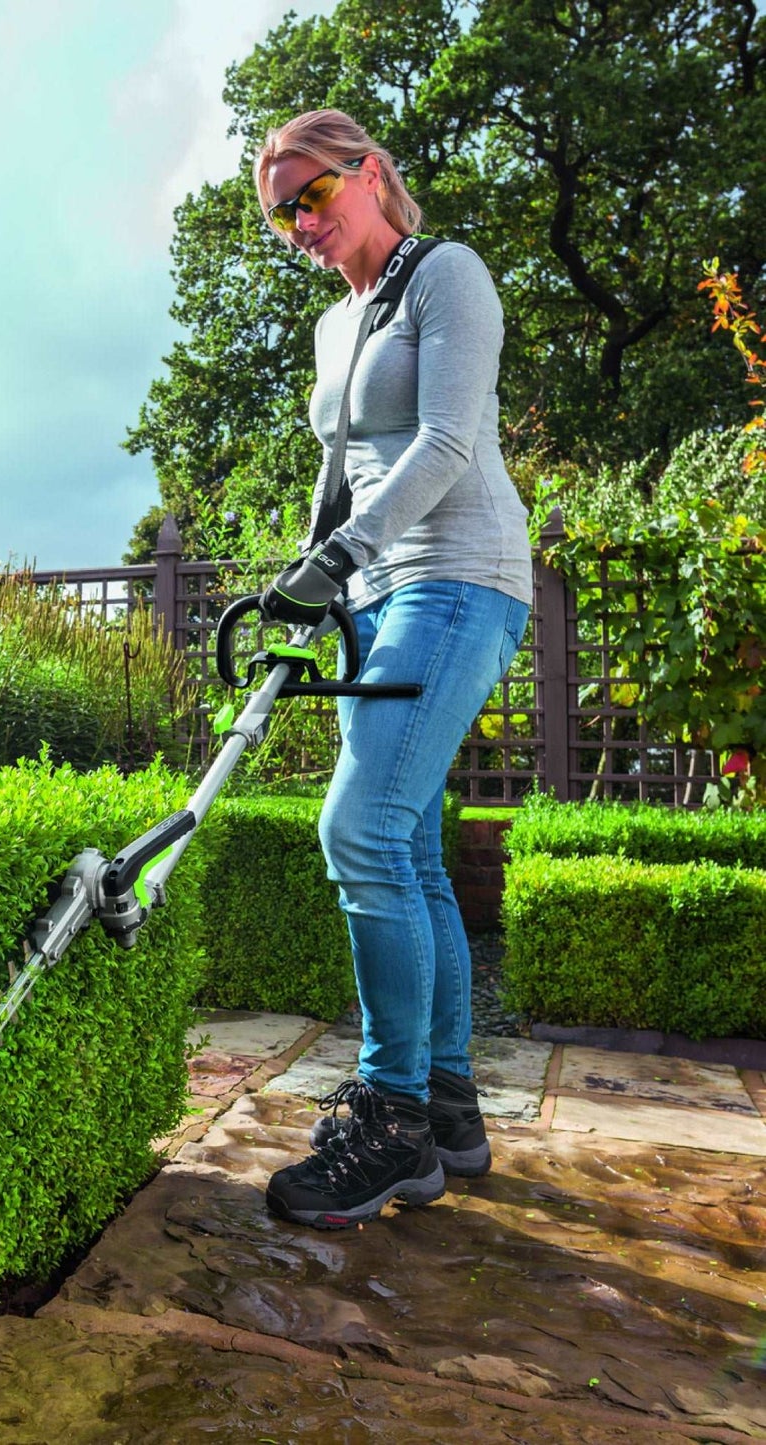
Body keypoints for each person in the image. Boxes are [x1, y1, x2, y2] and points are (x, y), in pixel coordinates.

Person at [250, 109, 533, 1229]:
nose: (293, 226)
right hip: (371, 595)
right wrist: (307, 583)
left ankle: (391, 1115)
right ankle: (451, 1107)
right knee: (409, 842)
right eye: (277, 214)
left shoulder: (444, 275)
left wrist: (346, 557)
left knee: (356, 827)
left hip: (457, 575)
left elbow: (446, 443)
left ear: (366, 173)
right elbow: (341, 474)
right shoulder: (335, 324)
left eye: (307, 196)